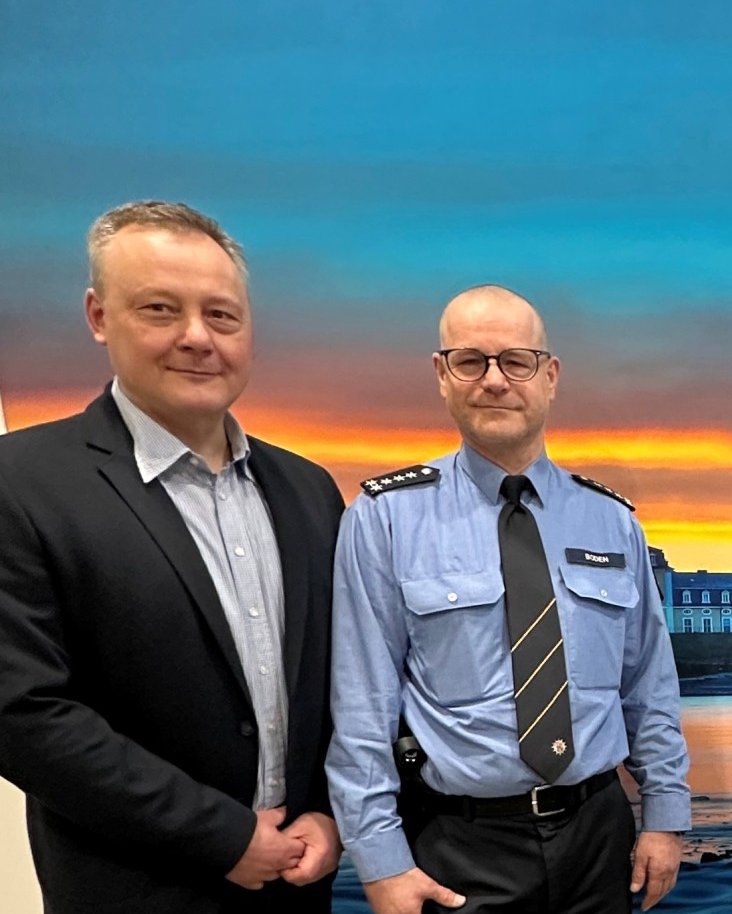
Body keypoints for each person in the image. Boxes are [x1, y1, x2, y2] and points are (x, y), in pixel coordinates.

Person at [0, 201, 344, 912]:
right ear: (98, 316)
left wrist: (332, 813)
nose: (197, 338)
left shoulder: (308, 491)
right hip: (133, 889)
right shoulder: (21, 483)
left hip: (299, 886)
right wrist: (221, 837)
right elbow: (23, 714)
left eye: (221, 316)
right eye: (160, 309)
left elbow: (345, 680)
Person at [327, 285, 690, 914]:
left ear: (549, 376)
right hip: (459, 845)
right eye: (471, 361)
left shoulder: (611, 522)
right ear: (442, 376)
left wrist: (664, 817)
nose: (494, 380)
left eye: (516, 361)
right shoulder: (385, 519)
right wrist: (380, 862)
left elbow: (648, 686)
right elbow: (362, 705)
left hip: (600, 838)